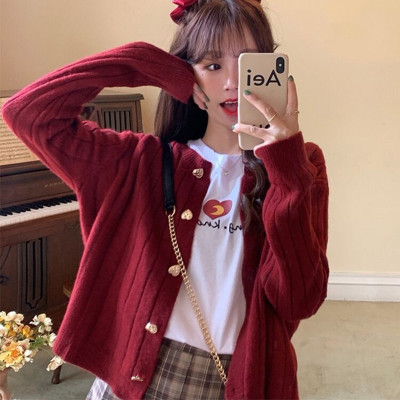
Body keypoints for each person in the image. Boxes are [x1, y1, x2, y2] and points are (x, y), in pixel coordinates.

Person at [2, 0, 329, 398]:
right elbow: (27, 113)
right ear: (187, 73)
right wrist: (143, 63)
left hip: (239, 378)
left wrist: (286, 168)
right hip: (136, 372)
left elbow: (300, 299)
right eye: (212, 65)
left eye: (247, 65)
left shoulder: (300, 167)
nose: (231, 82)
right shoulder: (139, 161)